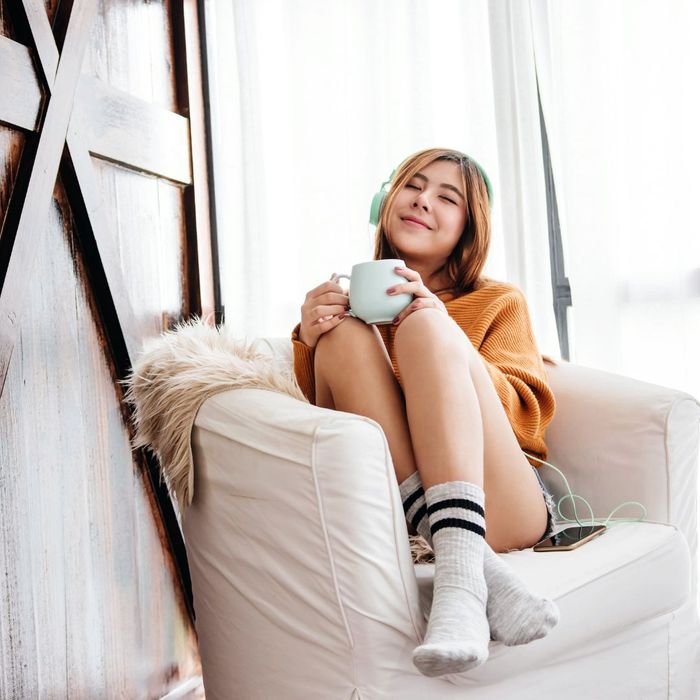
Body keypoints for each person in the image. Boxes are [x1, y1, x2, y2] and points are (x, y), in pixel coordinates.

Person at [290, 147, 560, 678]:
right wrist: (308, 338)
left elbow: (527, 415)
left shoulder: (498, 301)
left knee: (421, 325)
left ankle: (458, 583)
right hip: (400, 513)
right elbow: (323, 422)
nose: (422, 201)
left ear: (467, 227)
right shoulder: (349, 306)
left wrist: (441, 335)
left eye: (447, 197)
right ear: (384, 202)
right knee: (344, 335)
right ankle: (479, 578)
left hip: (504, 504)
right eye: (412, 185)